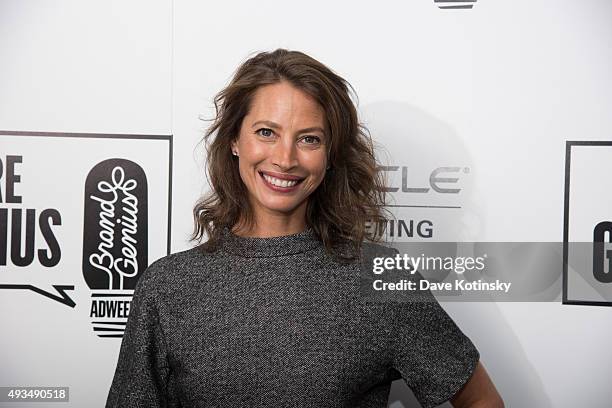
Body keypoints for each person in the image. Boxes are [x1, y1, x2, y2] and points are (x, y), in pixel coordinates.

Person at [106, 49, 503, 408]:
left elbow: (481, 400)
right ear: (234, 141)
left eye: (309, 139)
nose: (285, 158)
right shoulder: (169, 286)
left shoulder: (381, 279)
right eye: (266, 132)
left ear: (331, 156)